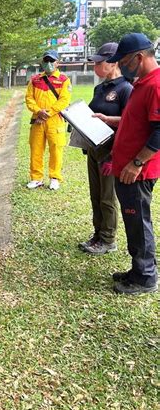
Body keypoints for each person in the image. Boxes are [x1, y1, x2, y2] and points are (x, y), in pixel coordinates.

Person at [106, 33, 159, 295]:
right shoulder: (142, 84)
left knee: (138, 222)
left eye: (124, 61)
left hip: (136, 172)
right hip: (127, 168)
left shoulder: (155, 85)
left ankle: (145, 276)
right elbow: (135, 123)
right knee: (134, 221)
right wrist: (109, 119)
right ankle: (139, 268)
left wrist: (136, 163)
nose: (121, 66)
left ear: (139, 57)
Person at [78, 42, 133, 255]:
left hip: (112, 151)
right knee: (95, 193)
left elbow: (130, 122)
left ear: (113, 63)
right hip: (94, 148)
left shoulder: (125, 89)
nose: (95, 67)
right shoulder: (99, 88)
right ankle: (98, 233)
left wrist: (114, 155)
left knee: (107, 196)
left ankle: (108, 238)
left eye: (99, 63)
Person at [25, 50, 72, 190]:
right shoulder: (35, 80)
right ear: (42, 63)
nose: (49, 64)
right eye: (46, 61)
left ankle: (54, 178)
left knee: (56, 149)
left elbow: (64, 100)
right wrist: (38, 111)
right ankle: (36, 178)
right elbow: (29, 98)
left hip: (55, 120)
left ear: (57, 63)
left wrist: (48, 113)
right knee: (36, 149)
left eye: (52, 61)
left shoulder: (64, 80)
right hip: (37, 120)